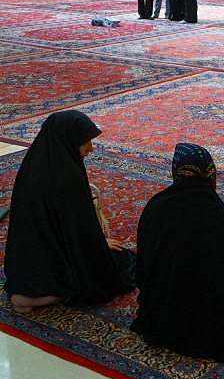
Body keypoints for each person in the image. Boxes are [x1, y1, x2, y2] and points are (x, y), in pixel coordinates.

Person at [131, 143, 224, 360]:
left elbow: (144, 270)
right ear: (210, 174)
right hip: (211, 316)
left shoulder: (157, 205)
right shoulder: (213, 211)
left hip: (163, 310)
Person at [4, 110, 135, 313]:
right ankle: (41, 296)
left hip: (22, 268)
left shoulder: (35, 163)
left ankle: (32, 292)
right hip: (52, 266)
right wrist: (99, 246)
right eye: (85, 142)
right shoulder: (66, 176)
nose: (90, 149)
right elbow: (78, 231)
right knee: (122, 263)